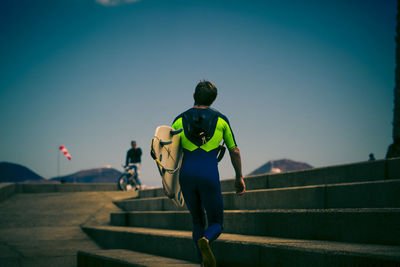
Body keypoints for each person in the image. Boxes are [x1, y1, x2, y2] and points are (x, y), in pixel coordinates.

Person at [171, 80, 246, 267]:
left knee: (197, 221)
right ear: (213, 100)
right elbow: (234, 151)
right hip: (208, 174)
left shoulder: (178, 120)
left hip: (186, 175)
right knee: (216, 223)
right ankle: (206, 240)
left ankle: (201, 263)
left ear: (194, 95)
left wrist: (169, 185)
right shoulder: (221, 120)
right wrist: (239, 177)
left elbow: (170, 155)